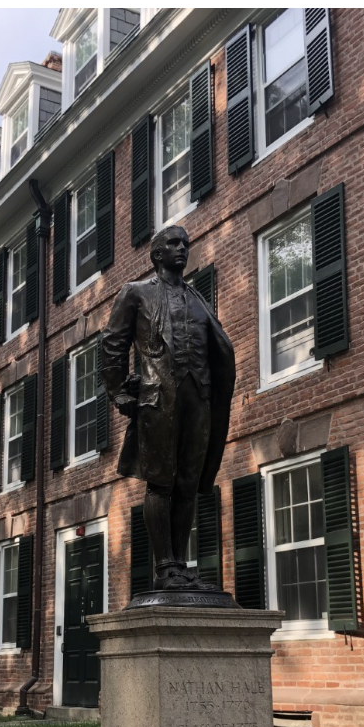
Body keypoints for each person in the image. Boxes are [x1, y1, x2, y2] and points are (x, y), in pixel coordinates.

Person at [101, 225, 236, 591]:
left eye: (185, 244)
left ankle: (182, 563)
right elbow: (113, 344)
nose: (182, 248)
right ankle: (165, 566)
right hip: (159, 399)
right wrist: (119, 394)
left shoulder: (198, 299)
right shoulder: (135, 293)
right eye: (173, 243)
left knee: (188, 484)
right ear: (157, 254)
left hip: (199, 398)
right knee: (161, 482)